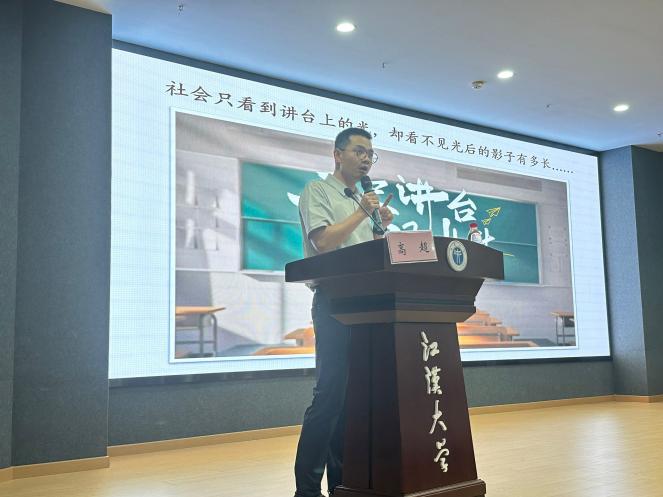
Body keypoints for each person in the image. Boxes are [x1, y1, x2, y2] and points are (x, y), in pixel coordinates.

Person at [294, 128, 393, 497]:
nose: (366, 159)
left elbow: (371, 254)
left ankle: (342, 485)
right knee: (330, 397)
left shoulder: (363, 203)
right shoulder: (317, 191)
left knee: (353, 402)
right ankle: (306, 491)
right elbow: (323, 242)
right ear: (337, 154)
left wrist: (380, 228)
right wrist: (363, 212)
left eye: (370, 154)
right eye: (359, 151)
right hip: (334, 302)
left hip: (367, 306)